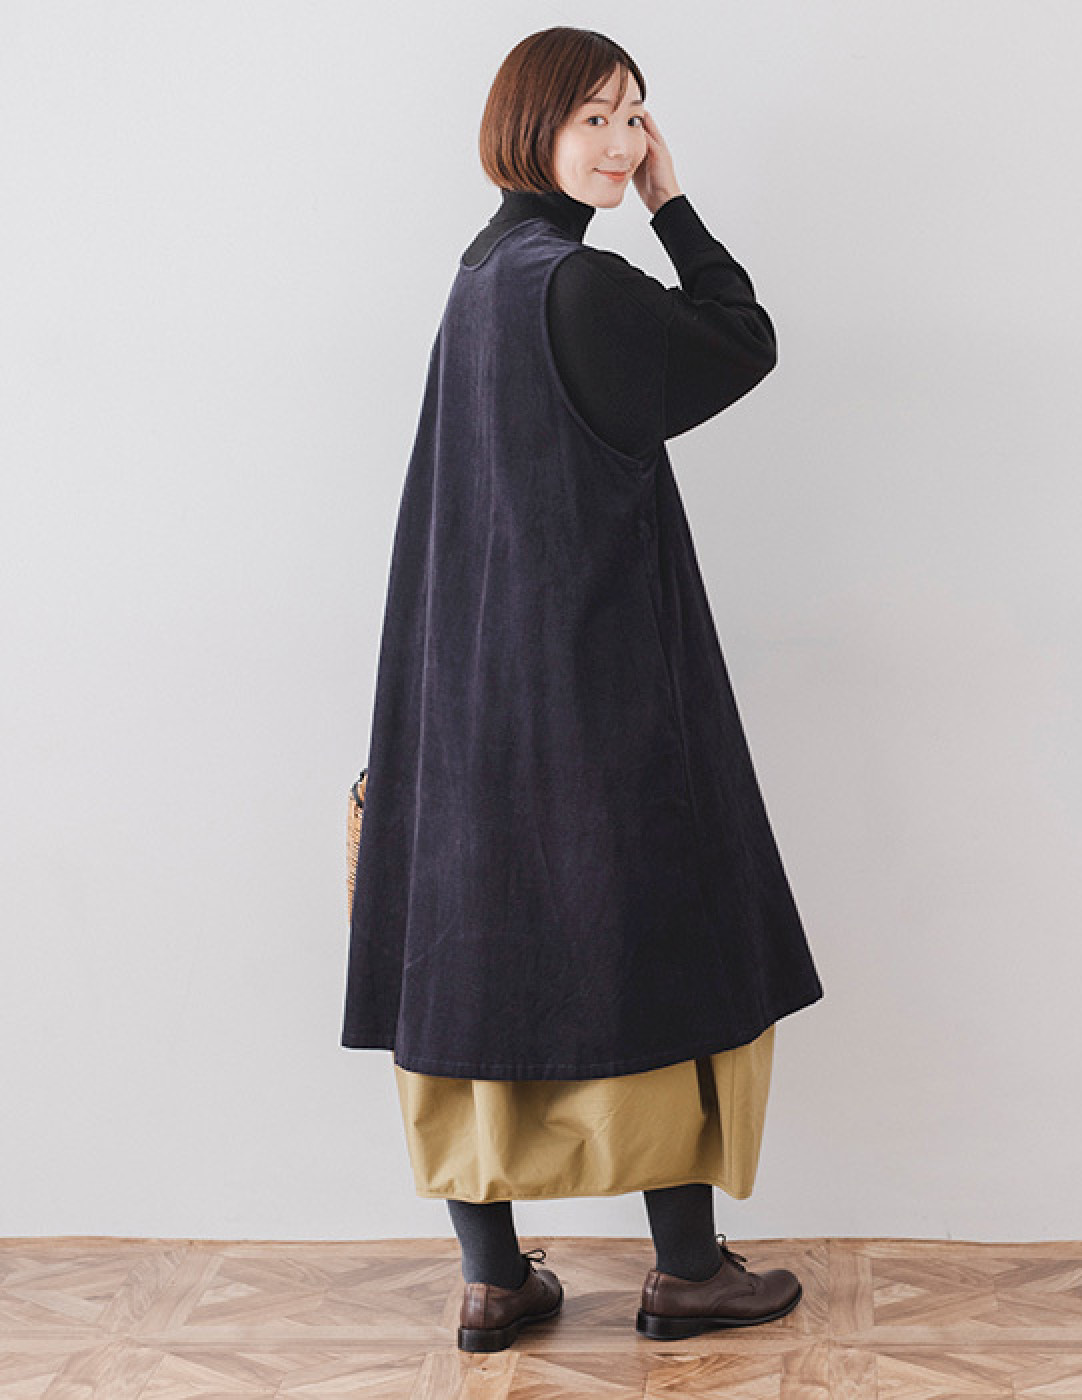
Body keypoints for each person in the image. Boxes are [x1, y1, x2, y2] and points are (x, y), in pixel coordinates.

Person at [341, 26, 825, 1353]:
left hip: (469, 679)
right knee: (655, 926)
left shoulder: (482, 273)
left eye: (635, 117)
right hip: (596, 681)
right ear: (530, 127)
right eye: (594, 119)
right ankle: (688, 1272)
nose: (620, 143)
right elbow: (741, 339)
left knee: (472, 948)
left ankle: (494, 1280)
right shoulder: (578, 284)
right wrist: (674, 203)